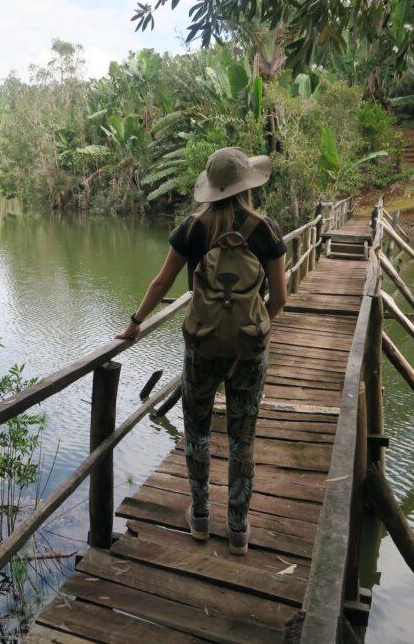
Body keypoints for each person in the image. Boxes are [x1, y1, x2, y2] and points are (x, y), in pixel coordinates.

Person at [116, 147, 287, 555]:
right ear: (248, 184)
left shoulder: (192, 228)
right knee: (242, 438)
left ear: (210, 186)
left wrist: (136, 322)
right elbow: (279, 296)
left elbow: (161, 284)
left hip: (201, 346)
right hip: (248, 351)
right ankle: (240, 529)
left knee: (196, 433)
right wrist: (254, 333)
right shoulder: (266, 230)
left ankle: (200, 517)